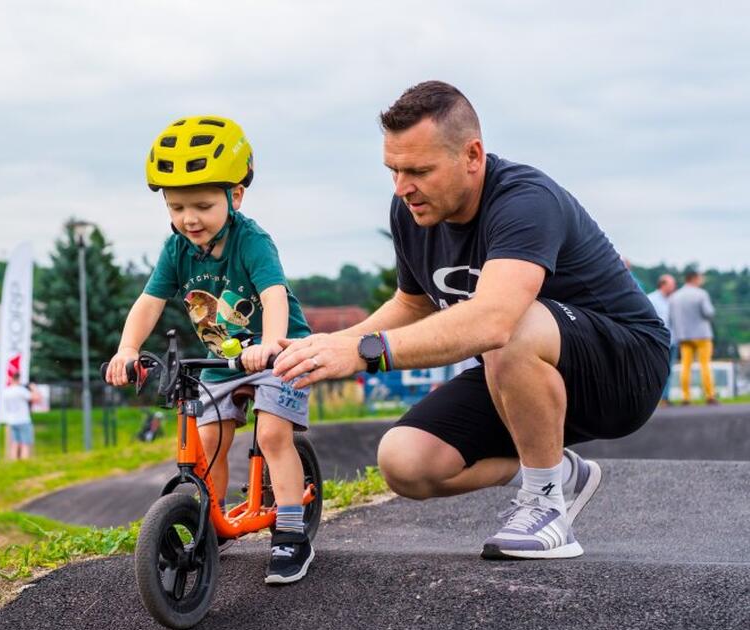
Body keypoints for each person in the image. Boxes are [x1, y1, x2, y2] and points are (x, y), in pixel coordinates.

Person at [274, 81, 669, 560]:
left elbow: (493, 321)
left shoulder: (525, 200)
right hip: (519, 369)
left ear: (472, 156)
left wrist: (364, 352)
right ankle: (560, 473)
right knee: (405, 461)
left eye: (419, 171)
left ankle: (546, 505)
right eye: (394, 170)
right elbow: (412, 304)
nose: (402, 188)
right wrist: (327, 346)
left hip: (624, 368)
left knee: (510, 324)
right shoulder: (411, 212)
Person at [105, 115, 315, 584]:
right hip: (222, 360)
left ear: (235, 196)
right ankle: (210, 520)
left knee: (272, 436)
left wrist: (271, 344)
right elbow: (149, 302)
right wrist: (127, 348)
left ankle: (291, 532)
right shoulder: (176, 249)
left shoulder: (252, 241)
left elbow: (273, 296)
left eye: (202, 205)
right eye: (176, 206)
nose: (189, 219)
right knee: (208, 443)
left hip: (279, 352)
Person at [669, 270, 718, 405]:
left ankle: (686, 397)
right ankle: (709, 395)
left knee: (685, 366)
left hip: (684, 335)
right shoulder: (701, 294)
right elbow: (709, 312)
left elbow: (671, 317)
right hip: (702, 335)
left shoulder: (675, 296)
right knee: (705, 365)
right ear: (695, 279)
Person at [646, 274, 678, 405]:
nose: (674, 287)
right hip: (657, 341)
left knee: (669, 371)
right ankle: (652, 399)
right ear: (663, 285)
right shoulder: (651, 299)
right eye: (672, 285)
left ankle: (665, 398)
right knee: (655, 370)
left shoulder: (673, 300)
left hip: (672, 340)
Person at [2, 378, 40, 459]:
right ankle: (24, 463)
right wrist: (34, 388)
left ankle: (14, 463)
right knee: (25, 444)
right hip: (23, 420)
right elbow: (36, 398)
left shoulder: (6, 391)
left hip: (12, 421)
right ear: (18, 379)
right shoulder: (21, 390)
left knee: (15, 444)